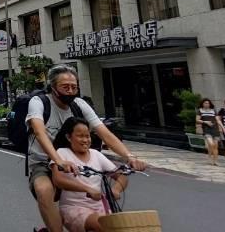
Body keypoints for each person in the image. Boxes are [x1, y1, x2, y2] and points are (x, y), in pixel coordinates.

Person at [26, 64, 146, 232]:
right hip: (44, 161)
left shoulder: (79, 104)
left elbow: (104, 133)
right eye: (65, 87)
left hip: (75, 160)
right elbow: (39, 132)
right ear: (53, 87)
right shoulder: (39, 102)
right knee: (44, 190)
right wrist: (58, 160)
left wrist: (130, 157)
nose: (70, 91)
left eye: (74, 87)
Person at [50, 117, 129, 232]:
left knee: (122, 226)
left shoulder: (96, 154)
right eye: (80, 136)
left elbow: (121, 175)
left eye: (87, 136)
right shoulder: (62, 153)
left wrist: (116, 190)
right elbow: (58, 180)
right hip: (74, 208)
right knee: (104, 225)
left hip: (100, 207)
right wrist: (87, 189)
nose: (85, 140)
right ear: (68, 137)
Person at [197, 98, 221, 166]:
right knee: (211, 144)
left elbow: (218, 120)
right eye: (205, 103)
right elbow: (197, 120)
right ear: (202, 104)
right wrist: (205, 122)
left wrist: (221, 127)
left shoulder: (213, 110)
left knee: (215, 146)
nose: (207, 104)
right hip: (206, 129)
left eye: (208, 103)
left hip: (215, 129)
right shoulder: (200, 110)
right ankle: (210, 156)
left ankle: (215, 161)